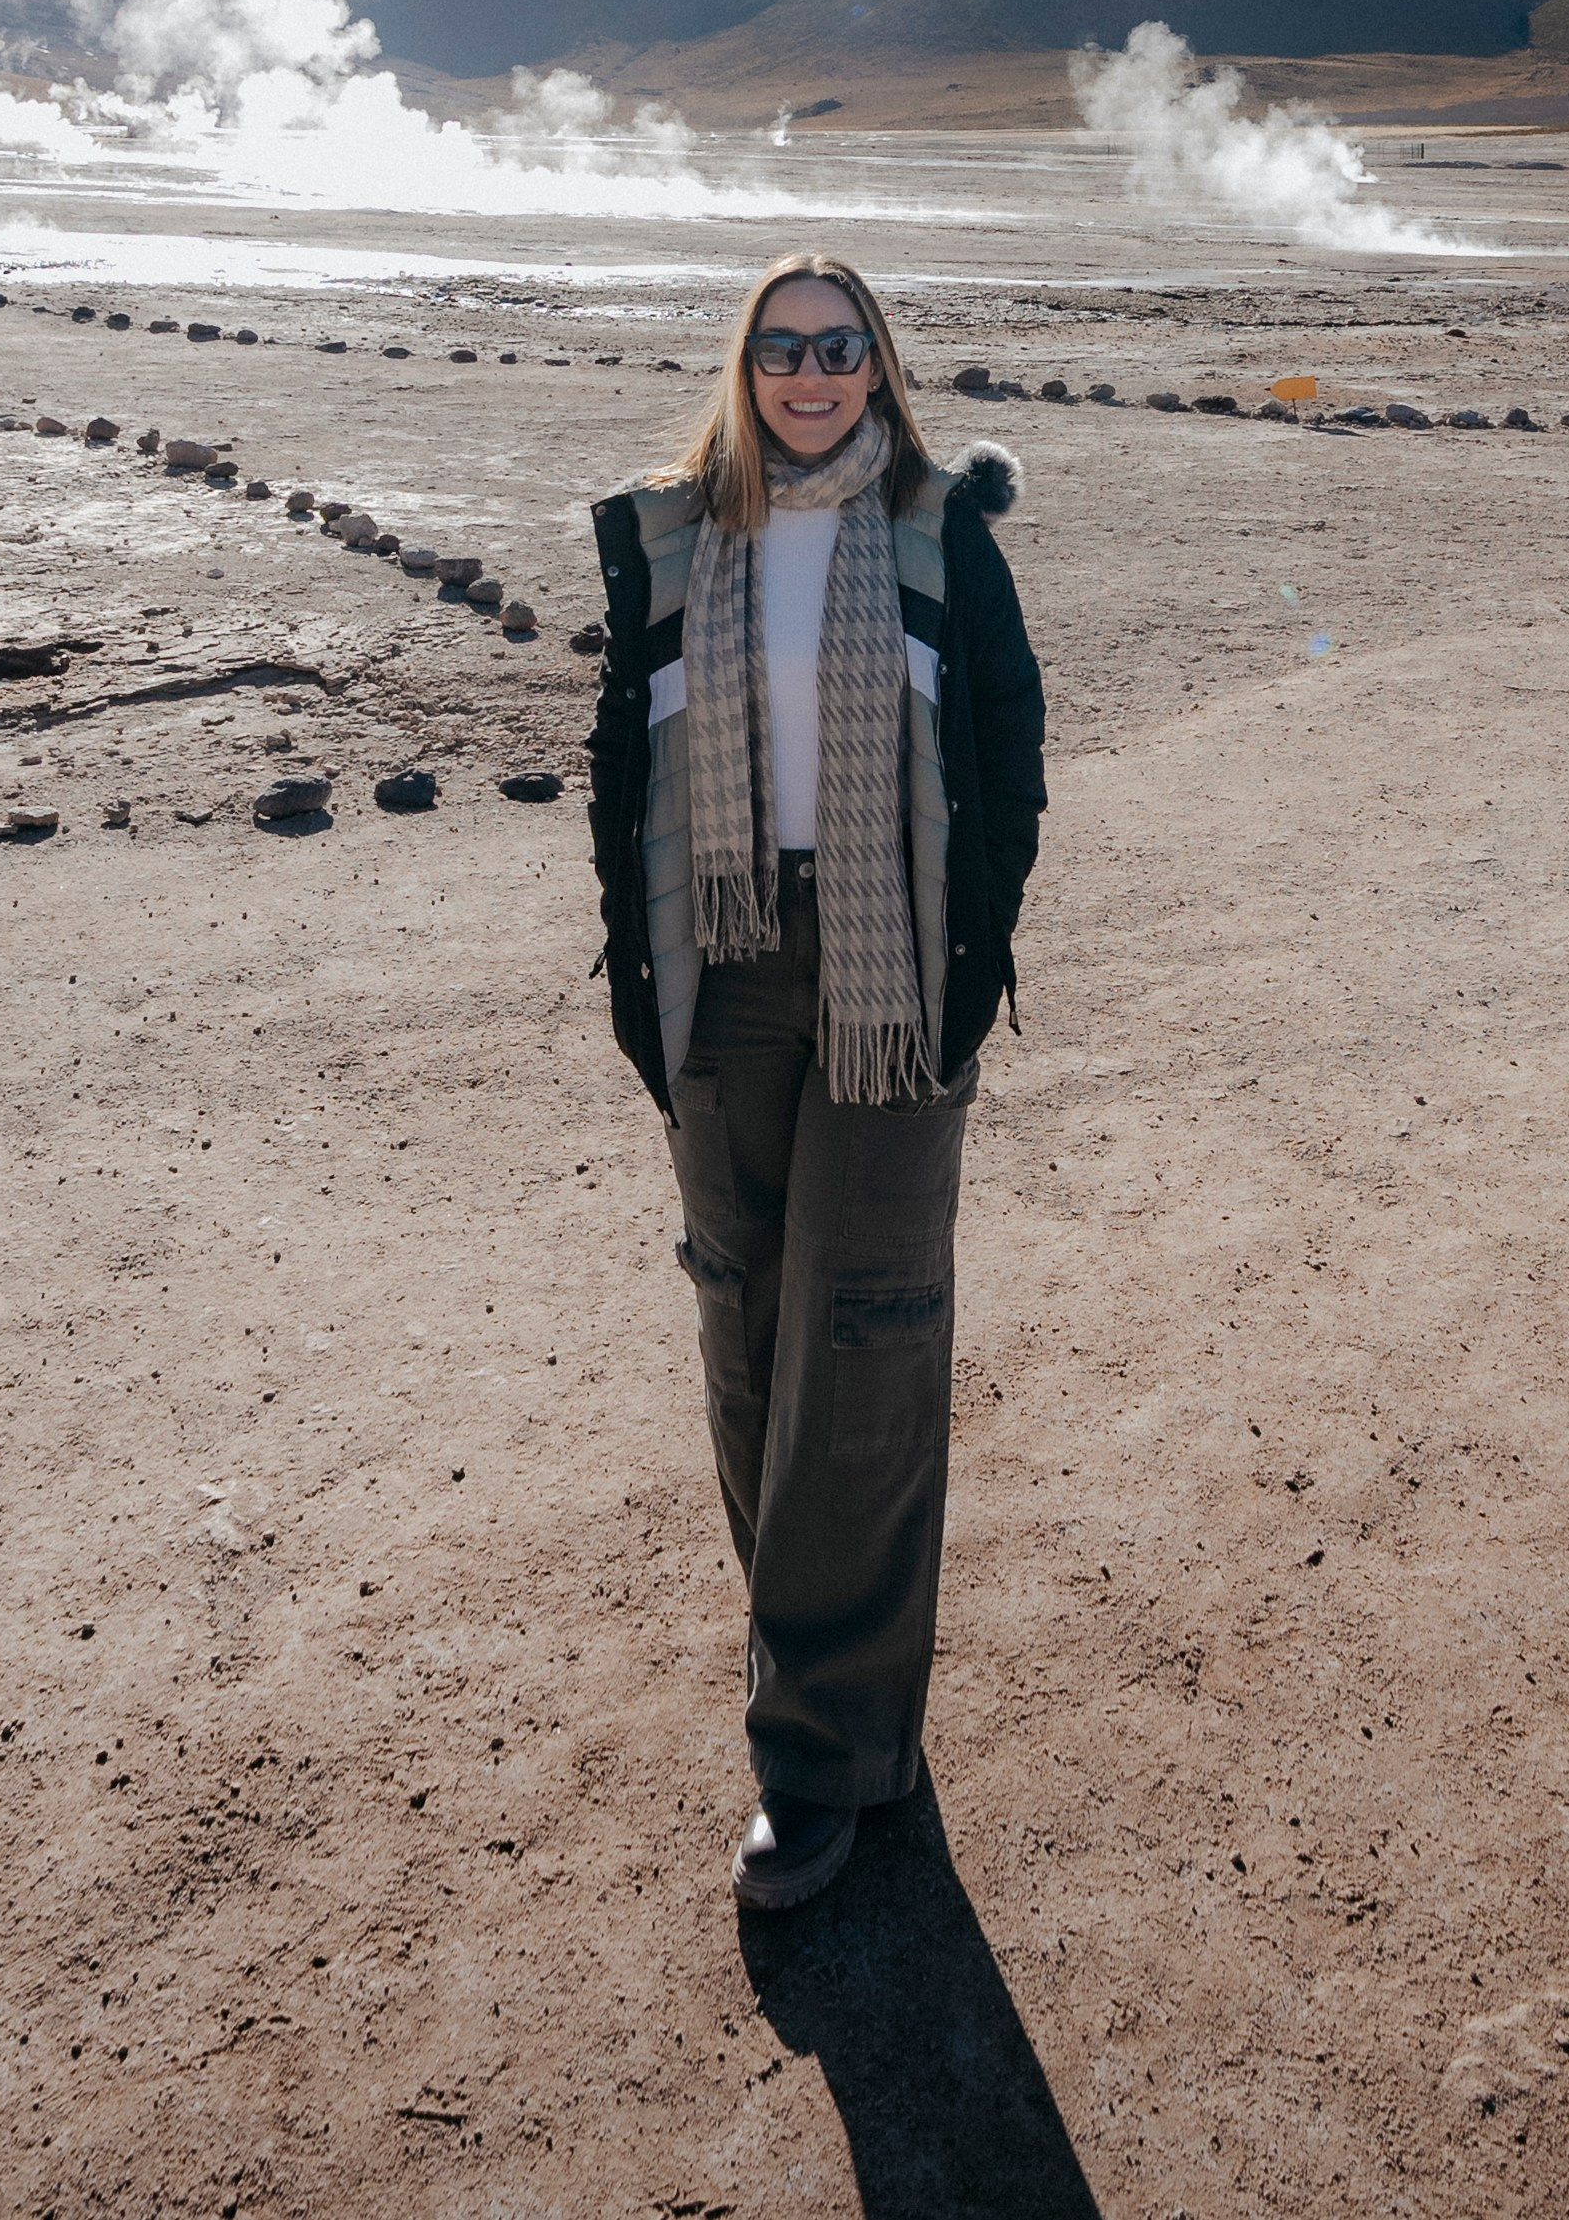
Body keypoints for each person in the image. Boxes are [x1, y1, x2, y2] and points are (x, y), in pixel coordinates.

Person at [587, 253, 1046, 1910]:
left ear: (877, 364)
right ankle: (830, 1672)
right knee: (744, 1313)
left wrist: (968, 961)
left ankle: (822, 1753)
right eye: (780, 346)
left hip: (886, 977)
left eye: (837, 345)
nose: (807, 371)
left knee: (861, 1334)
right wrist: (646, 994)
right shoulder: (674, 533)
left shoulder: (934, 528)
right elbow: (615, 755)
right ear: (745, 362)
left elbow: (1010, 740)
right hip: (726, 969)